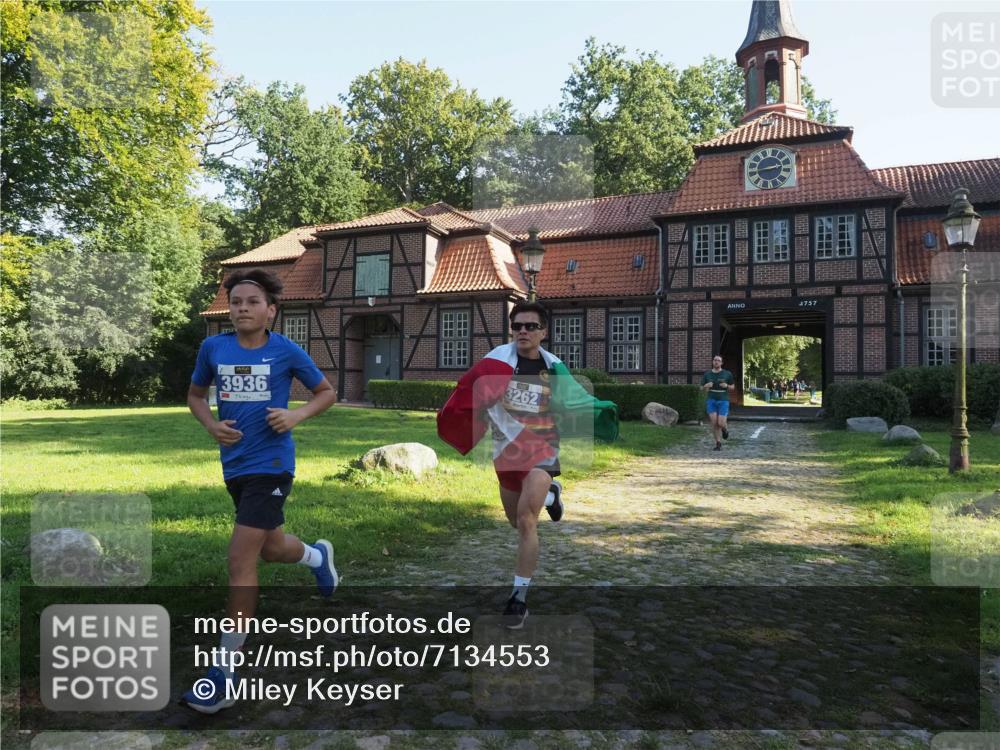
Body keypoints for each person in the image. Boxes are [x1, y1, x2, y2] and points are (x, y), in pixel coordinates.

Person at [181, 268, 338, 714]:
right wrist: (211, 423)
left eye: (252, 302)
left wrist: (295, 416)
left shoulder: (285, 349)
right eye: (235, 302)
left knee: (239, 558)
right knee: (270, 549)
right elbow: (195, 395)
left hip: (272, 465)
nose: (243, 308)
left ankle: (223, 673)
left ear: (271, 310)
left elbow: (326, 392)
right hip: (234, 465)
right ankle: (316, 556)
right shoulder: (214, 347)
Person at [437, 301, 619, 628]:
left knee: (526, 521)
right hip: (506, 451)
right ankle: (552, 495)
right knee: (513, 520)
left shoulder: (554, 367)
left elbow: (573, 399)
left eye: (530, 326)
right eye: (517, 325)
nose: (522, 331)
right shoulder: (495, 362)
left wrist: (599, 409)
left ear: (543, 332)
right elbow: (467, 391)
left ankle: (518, 599)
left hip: (543, 447)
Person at [701, 355, 735, 451]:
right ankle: (718, 443)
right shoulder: (707, 374)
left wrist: (726, 385)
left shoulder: (727, 374)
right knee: (714, 423)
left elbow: (733, 387)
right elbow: (700, 388)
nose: (716, 362)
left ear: (721, 363)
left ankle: (725, 429)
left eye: (718, 360)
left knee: (720, 423)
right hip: (711, 400)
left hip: (723, 400)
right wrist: (705, 386)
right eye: (715, 360)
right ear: (713, 362)